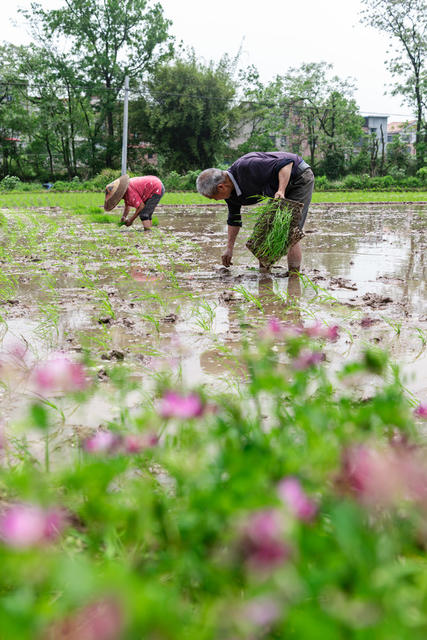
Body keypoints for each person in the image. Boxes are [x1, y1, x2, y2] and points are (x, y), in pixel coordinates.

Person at [196, 151, 314, 271]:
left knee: (289, 230)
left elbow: (286, 163)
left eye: (213, 197)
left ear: (221, 187)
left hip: (298, 177)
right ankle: (264, 274)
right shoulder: (231, 196)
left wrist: (281, 190)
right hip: (277, 187)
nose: (215, 200)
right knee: (264, 230)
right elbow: (234, 219)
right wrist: (229, 249)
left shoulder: (247, 166)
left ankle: (294, 277)